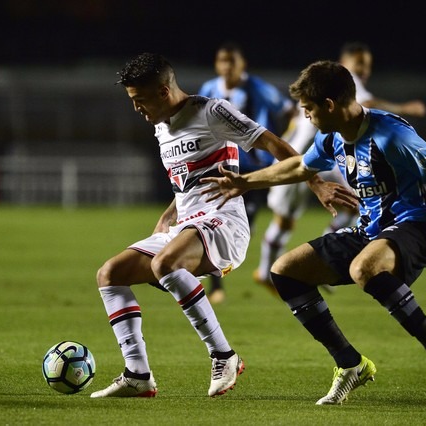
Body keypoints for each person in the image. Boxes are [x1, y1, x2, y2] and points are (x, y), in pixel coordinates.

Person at [201, 60, 426, 406]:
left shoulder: (394, 137)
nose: (305, 116)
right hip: (372, 229)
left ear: (329, 106)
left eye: (308, 109)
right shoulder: (332, 137)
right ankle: (350, 365)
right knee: (285, 271)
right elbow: (299, 166)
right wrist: (244, 183)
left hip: (420, 225)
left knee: (364, 268)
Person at [90, 53, 357, 399]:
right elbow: (187, 182)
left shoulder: (211, 111)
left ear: (162, 91)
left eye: (139, 101)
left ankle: (224, 356)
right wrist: (168, 214)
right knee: (109, 274)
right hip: (187, 225)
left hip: (224, 222)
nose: (137, 109)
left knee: (165, 264)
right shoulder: (161, 126)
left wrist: (315, 183)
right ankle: (137, 374)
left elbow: (272, 143)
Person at [254, 41, 426, 288]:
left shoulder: (321, 88)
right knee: (285, 221)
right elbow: (369, 106)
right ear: (345, 64)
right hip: (303, 156)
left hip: (327, 158)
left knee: (355, 202)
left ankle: (328, 259)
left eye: (367, 65)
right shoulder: (342, 86)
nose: (364, 70)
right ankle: (265, 273)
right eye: (359, 64)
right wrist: (404, 108)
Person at [199, 41, 296, 303]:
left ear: (242, 65)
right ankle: (215, 285)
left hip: (252, 169)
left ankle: (215, 278)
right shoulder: (209, 89)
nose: (227, 67)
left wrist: (282, 140)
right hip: (220, 165)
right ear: (217, 64)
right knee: (214, 220)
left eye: (232, 61)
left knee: (242, 227)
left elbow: (291, 111)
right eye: (223, 61)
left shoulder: (257, 88)